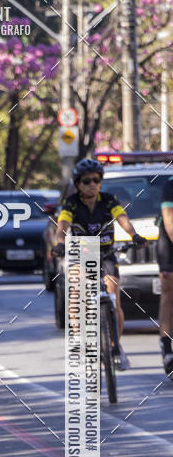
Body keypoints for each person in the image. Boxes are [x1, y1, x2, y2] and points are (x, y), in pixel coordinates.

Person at [53, 157, 146, 370]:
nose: (92, 184)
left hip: (106, 254)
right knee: (77, 292)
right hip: (81, 255)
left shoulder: (108, 200)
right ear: (78, 184)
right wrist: (59, 243)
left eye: (96, 180)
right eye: (86, 181)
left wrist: (134, 235)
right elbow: (63, 225)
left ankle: (116, 346)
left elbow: (122, 218)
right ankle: (79, 340)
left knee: (114, 298)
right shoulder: (72, 203)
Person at [157, 176, 173, 377]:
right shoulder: (170, 186)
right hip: (169, 243)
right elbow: (169, 222)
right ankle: (166, 347)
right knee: (168, 294)